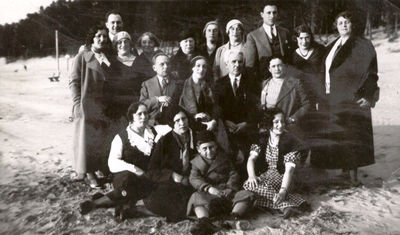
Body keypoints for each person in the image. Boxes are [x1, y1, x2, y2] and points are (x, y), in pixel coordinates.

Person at [311, 11, 379, 185]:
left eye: (347, 22)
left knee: (353, 136)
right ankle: (343, 171)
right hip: (332, 97)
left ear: (352, 25)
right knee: (339, 135)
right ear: (336, 25)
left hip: (352, 98)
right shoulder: (333, 44)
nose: (343, 25)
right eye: (340, 23)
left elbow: (371, 73)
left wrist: (368, 95)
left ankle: (354, 178)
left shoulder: (362, 45)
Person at [79, 102, 159, 219]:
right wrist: (134, 168)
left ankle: (119, 203)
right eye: (139, 114)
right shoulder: (122, 137)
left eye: (146, 113)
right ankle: (95, 204)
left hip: (146, 176)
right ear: (131, 117)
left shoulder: (153, 132)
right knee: (127, 182)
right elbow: (113, 163)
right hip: (126, 176)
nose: (144, 117)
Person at [69, 23, 116, 187]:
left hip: (102, 107)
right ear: (92, 39)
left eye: (104, 36)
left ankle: (97, 169)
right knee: (86, 141)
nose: (102, 39)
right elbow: (73, 82)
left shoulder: (107, 57)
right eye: (98, 36)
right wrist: (77, 104)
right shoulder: (82, 57)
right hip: (86, 106)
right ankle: (89, 173)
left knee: (100, 140)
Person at [243, 108, 309, 219]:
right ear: (269, 123)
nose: (280, 125)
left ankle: (282, 201)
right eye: (276, 122)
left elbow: (289, 170)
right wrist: (251, 176)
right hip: (268, 175)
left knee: (256, 193)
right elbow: (251, 159)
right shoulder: (263, 138)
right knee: (248, 184)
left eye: (282, 121)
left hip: (286, 178)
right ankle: (285, 205)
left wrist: (283, 191)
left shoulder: (290, 141)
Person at [188, 130, 255, 234]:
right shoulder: (196, 163)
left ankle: (233, 217)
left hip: (227, 194)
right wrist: (209, 188)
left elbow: (233, 174)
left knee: (246, 194)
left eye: (211, 147)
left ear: (216, 146)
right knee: (195, 197)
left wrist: (229, 188)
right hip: (209, 196)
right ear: (198, 149)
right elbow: (194, 178)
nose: (209, 151)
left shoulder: (224, 158)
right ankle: (204, 222)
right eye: (204, 148)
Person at [143, 105, 195, 222]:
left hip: (193, 181)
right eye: (177, 121)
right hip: (171, 183)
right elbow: (152, 169)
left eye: (184, 118)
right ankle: (139, 210)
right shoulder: (165, 141)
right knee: (155, 200)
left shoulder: (196, 137)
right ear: (172, 123)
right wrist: (171, 175)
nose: (182, 123)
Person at [213, 50, 258, 178]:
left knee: (246, 157)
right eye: (233, 62)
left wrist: (247, 123)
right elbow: (216, 107)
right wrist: (225, 122)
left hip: (246, 129)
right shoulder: (219, 84)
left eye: (240, 62)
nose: (237, 65)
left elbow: (256, 107)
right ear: (227, 64)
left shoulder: (252, 82)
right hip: (227, 130)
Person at [179, 56, 231, 153]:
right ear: (192, 68)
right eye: (198, 66)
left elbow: (216, 106)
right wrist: (194, 116)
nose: (201, 69)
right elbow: (178, 109)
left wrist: (214, 120)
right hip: (191, 125)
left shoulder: (209, 86)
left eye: (204, 67)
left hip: (209, 123)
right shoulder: (182, 86)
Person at [260, 56, 311, 136]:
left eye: (279, 65)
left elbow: (307, 104)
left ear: (284, 66)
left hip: (288, 127)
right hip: (269, 128)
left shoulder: (295, 83)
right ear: (269, 69)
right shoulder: (265, 84)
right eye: (273, 66)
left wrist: (292, 119)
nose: (277, 69)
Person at [244, 1, 292, 85]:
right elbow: (250, 66)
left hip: (285, 82)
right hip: (263, 82)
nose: (272, 16)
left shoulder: (285, 32)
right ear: (262, 14)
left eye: (274, 12)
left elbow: (289, 59)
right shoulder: (252, 36)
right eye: (268, 13)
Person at [105, 31, 142, 120]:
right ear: (115, 45)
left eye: (126, 41)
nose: (123, 44)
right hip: (116, 108)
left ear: (130, 44)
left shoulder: (140, 61)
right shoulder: (110, 62)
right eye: (119, 42)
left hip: (135, 107)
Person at [139, 52, 182, 126]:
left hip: (173, 123)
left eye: (168, 64)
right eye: (162, 64)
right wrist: (157, 99)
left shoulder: (178, 84)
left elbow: (182, 104)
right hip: (152, 124)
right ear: (154, 68)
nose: (166, 67)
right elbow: (141, 105)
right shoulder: (147, 84)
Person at [291, 24, 325, 108]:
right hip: (300, 91)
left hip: (317, 89)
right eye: (301, 38)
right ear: (296, 39)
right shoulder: (291, 54)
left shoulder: (320, 51)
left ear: (311, 38)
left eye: (307, 38)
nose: (304, 41)